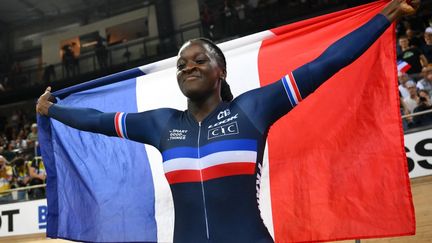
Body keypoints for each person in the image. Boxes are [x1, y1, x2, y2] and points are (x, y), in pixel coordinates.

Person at [36, 1, 419, 242]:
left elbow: (324, 65)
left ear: (220, 70)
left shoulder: (252, 109)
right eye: (182, 64)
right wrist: (52, 110)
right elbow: (98, 120)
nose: (189, 67)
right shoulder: (160, 124)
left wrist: (383, 17)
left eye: (199, 60)